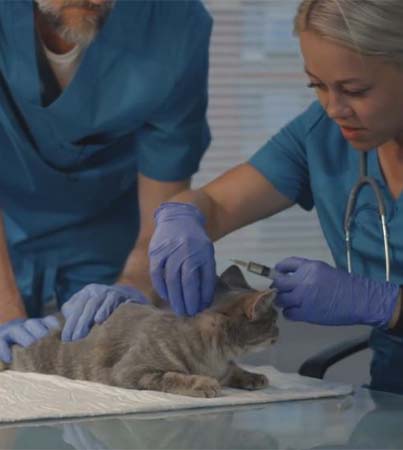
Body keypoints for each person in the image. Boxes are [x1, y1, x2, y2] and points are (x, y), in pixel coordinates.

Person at [148, 0, 403, 395]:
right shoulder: (322, 134)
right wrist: (182, 216)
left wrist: (389, 306)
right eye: (316, 85)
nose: (334, 108)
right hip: (390, 397)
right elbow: (215, 204)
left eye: (354, 90)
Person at [0, 0, 212, 363]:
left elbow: (162, 210)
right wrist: (6, 312)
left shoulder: (174, 23)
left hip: (106, 238)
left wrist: (132, 286)